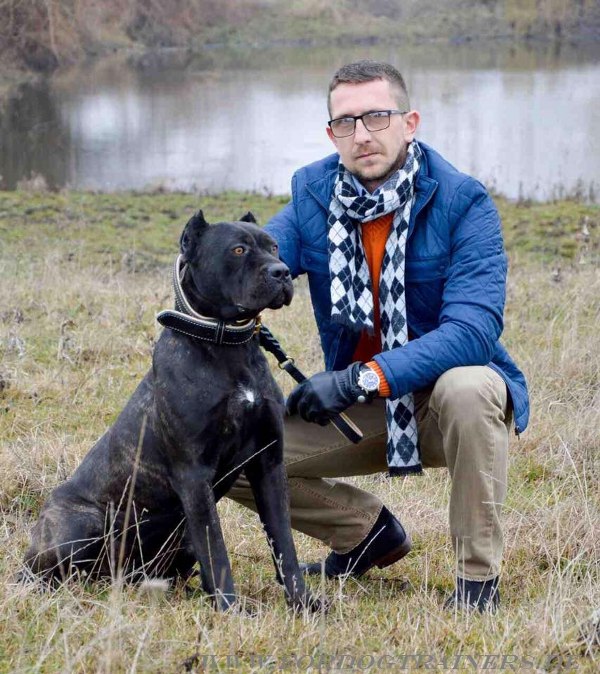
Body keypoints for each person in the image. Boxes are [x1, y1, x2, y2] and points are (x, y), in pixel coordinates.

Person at [229, 60, 529, 613]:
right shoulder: (312, 196)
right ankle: (365, 533)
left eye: (377, 116)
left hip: (443, 405)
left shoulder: (464, 202)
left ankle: (476, 584)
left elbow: (473, 331)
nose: (362, 134)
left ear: (409, 122)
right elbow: (256, 262)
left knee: (470, 385)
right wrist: (208, 272)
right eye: (346, 122)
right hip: (363, 408)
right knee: (233, 446)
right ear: (331, 135)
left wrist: (359, 378)